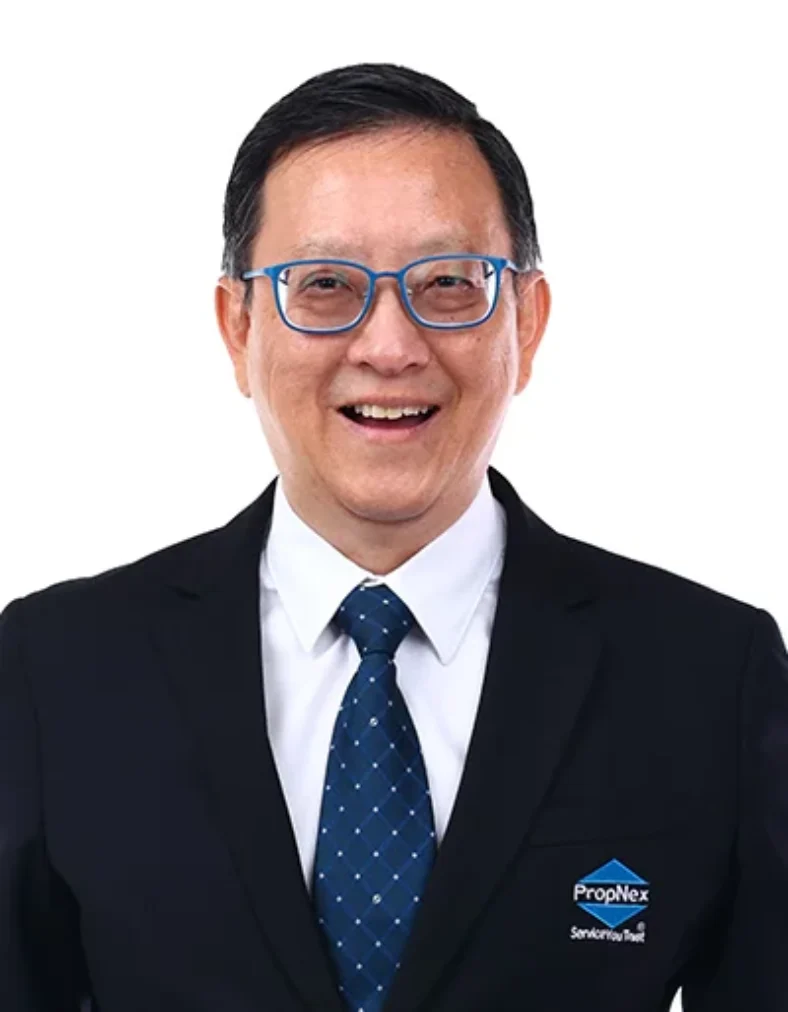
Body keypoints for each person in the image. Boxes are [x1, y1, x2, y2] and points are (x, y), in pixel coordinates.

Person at [0, 61, 786, 1012]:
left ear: (528, 323)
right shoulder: (54, 669)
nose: (389, 346)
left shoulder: (710, 673)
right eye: (325, 285)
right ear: (238, 327)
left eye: (448, 284)